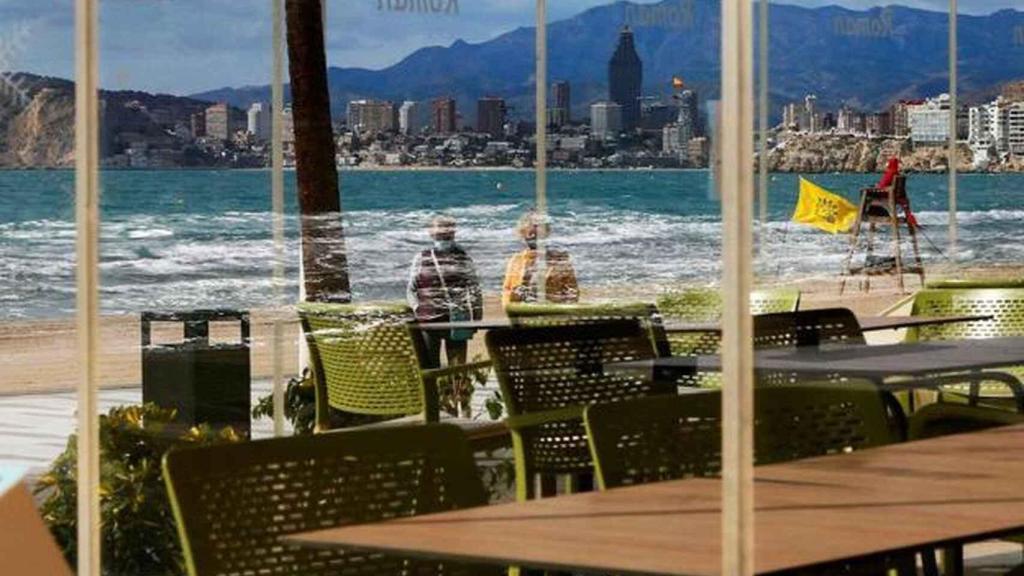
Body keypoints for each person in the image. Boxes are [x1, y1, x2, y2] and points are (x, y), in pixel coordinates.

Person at [406, 216, 483, 368]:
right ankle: (437, 392)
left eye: (447, 234)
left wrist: (477, 317)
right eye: (440, 234)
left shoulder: (463, 258)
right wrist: (417, 308)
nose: (444, 238)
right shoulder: (421, 258)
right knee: (430, 366)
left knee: (457, 368)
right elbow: (411, 289)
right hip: (428, 319)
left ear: (453, 234)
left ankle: (457, 393)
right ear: (432, 234)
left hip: (457, 319)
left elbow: (474, 290)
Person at [502, 210, 579, 308]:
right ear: (523, 235)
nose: (534, 238)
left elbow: (573, 292)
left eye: (538, 235)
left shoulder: (559, 260)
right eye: (530, 235)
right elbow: (507, 290)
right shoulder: (517, 260)